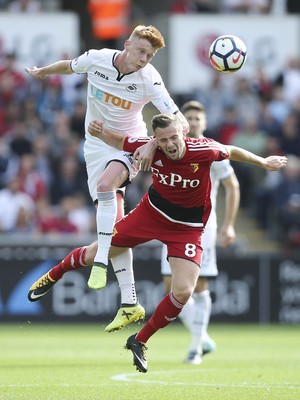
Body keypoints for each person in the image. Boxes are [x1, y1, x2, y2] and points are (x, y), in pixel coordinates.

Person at [28, 113, 287, 373]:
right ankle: (53, 275)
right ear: (157, 140)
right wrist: (100, 132)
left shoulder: (204, 149)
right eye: (164, 140)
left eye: (174, 137)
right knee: (100, 250)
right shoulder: (149, 146)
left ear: (183, 134)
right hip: (150, 215)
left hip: (187, 228)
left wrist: (263, 162)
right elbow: (120, 140)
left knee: (184, 291)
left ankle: (139, 341)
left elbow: (231, 150)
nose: (171, 144)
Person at [25, 25, 189, 330]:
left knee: (105, 185)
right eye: (140, 51)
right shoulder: (98, 59)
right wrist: (42, 72)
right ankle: (130, 303)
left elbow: (180, 122)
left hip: (129, 145)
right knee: (117, 227)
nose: (143, 58)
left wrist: (152, 143)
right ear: (127, 44)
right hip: (95, 148)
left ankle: (99, 263)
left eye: (150, 55)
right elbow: (69, 66)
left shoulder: (150, 78)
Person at [160, 101, 240, 365]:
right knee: (170, 287)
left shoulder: (210, 151)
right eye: (189, 117)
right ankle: (202, 335)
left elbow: (232, 185)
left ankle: (195, 348)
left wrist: (228, 224)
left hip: (202, 229)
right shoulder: (170, 148)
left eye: (197, 118)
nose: (193, 122)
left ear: (204, 123)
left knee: (199, 286)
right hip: (172, 225)